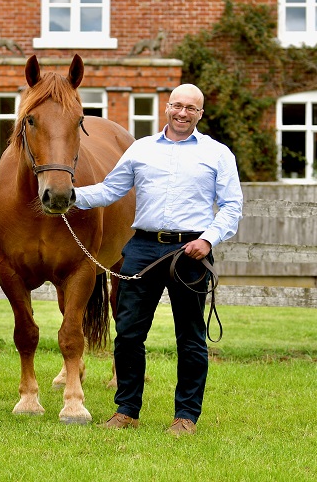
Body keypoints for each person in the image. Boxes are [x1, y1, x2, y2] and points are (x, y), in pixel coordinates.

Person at [73, 83, 243, 436]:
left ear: (200, 114)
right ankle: (127, 410)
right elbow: (110, 190)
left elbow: (231, 206)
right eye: (177, 106)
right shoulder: (141, 149)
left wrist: (209, 240)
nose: (183, 113)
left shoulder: (217, 153)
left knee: (191, 338)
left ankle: (186, 417)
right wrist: (68, 195)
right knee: (129, 334)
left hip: (190, 252)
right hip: (143, 248)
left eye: (191, 109)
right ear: (167, 107)